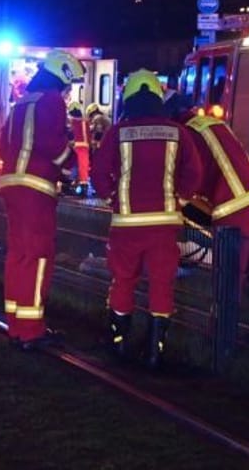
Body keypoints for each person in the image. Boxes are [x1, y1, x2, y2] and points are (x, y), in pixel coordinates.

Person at [90, 69, 203, 369]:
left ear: (128, 99)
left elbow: (99, 171)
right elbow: (195, 172)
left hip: (127, 224)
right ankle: (155, 352)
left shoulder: (117, 132)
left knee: (123, 281)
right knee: (162, 284)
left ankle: (119, 345)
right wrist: (180, 199)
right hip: (165, 225)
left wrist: (111, 197)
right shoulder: (177, 132)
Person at [165, 92, 249, 340]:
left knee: (230, 270)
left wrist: (175, 207)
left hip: (232, 204)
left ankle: (221, 333)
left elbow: (192, 176)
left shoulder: (185, 134)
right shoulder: (210, 123)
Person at [0, 49, 85, 350]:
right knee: (38, 257)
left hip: (11, 186)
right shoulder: (52, 100)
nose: (68, 92)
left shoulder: (22, 101)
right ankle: (32, 331)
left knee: (18, 256)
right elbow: (52, 143)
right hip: (35, 190)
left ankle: (16, 326)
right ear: (61, 77)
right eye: (68, 85)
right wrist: (71, 166)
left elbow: (2, 145)